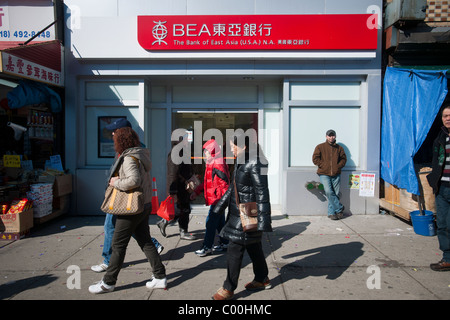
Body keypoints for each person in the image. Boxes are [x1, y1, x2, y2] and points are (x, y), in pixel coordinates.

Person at [89, 127, 167, 293]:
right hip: (143, 205)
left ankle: (108, 283)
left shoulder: (129, 158)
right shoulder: (140, 155)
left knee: (118, 245)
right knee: (145, 242)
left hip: (131, 208)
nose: (114, 142)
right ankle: (160, 277)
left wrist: (115, 182)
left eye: (115, 139)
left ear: (121, 141)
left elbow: (134, 180)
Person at [211, 132, 272, 300]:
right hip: (239, 212)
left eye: (233, 146)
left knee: (234, 248)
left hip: (248, 213)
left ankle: (228, 288)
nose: (231, 149)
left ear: (244, 146)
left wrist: (264, 221)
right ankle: (262, 278)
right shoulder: (242, 160)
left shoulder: (255, 162)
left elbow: (262, 192)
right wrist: (219, 206)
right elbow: (234, 187)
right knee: (254, 246)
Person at [191, 139, 230, 257]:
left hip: (218, 200)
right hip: (217, 199)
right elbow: (208, 182)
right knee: (219, 223)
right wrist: (197, 192)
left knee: (210, 223)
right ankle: (225, 243)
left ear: (212, 152)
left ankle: (207, 247)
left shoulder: (217, 163)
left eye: (207, 152)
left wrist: (222, 201)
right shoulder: (212, 162)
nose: (205, 154)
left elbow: (225, 183)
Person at [427, 101, 450, 272]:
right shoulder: (440, 138)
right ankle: (447, 258)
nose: (448, 119)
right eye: (445, 116)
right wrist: (432, 179)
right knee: (442, 224)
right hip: (442, 188)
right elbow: (437, 162)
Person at [157, 135, 195, 240]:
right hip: (179, 188)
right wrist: (172, 190)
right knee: (183, 210)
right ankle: (182, 231)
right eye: (186, 139)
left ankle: (166, 223)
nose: (188, 141)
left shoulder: (182, 152)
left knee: (183, 209)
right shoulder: (176, 153)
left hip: (183, 187)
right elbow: (172, 174)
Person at [312, 129, 347, 220]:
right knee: (328, 191)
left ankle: (332, 213)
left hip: (336, 173)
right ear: (326, 136)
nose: (331, 137)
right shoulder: (320, 147)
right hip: (324, 173)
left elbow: (344, 159)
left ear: (335, 136)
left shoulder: (339, 148)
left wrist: (338, 166)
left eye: (333, 135)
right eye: (329, 135)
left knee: (335, 193)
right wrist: (324, 165)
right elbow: (315, 159)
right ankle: (339, 207)